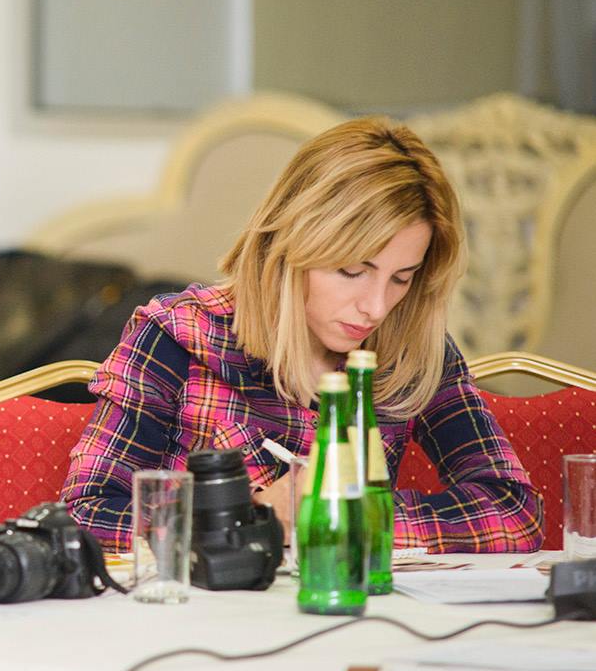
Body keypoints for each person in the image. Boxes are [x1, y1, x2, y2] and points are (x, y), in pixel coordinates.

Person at [61, 118, 543, 554]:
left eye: (402, 278)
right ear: (290, 246)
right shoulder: (177, 336)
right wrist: (251, 519)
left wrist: (348, 517)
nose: (376, 307)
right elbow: (87, 514)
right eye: (353, 271)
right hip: (205, 614)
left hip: (349, 613)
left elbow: (513, 512)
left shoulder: (412, 349)